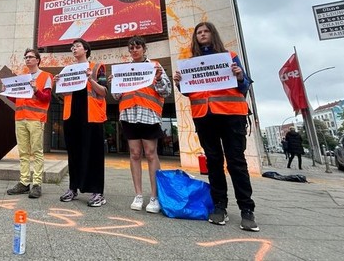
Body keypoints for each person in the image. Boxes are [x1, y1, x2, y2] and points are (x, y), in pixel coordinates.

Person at [172, 22, 258, 232]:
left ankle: (247, 209)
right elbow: (189, 92)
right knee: (213, 162)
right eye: (199, 32)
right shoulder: (191, 63)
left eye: (205, 31)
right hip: (204, 116)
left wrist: (239, 75)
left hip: (231, 116)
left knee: (236, 162)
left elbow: (245, 84)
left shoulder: (230, 56)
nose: (202, 35)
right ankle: (220, 206)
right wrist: (179, 83)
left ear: (213, 34)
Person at [110, 36, 171, 213]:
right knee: (135, 154)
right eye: (131, 48)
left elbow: (166, 90)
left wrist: (159, 79)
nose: (134, 50)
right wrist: (115, 82)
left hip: (149, 114)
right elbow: (116, 96)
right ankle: (138, 195)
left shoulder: (155, 66)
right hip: (129, 114)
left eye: (137, 47)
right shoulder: (123, 69)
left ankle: (154, 197)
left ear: (144, 49)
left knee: (151, 154)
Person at [58, 38, 107, 207]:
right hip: (72, 116)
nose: (74, 49)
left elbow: (103, 91)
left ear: (86, 50)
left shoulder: (96, 67)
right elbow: (64, 95)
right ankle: (73, 188)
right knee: (74, 154)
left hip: (92, 116)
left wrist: (90, 79)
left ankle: (97, 192)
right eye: (72, 47)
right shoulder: (68, 70)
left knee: (94, 154)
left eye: (77, 46)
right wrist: (60, 83)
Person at [6, 48, 53, 199]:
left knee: (37, 152)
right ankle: (24, 182)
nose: (27, 59)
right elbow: (17, 99)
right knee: (24, 152)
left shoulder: (46, 76)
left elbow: (46, 98)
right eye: (26, 57)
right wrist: (8, 92)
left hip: (36, 118)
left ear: (38, 60)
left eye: (31, 57)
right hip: (20, 117)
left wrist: (35, 89)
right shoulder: (22, 77)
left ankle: (37, 184)